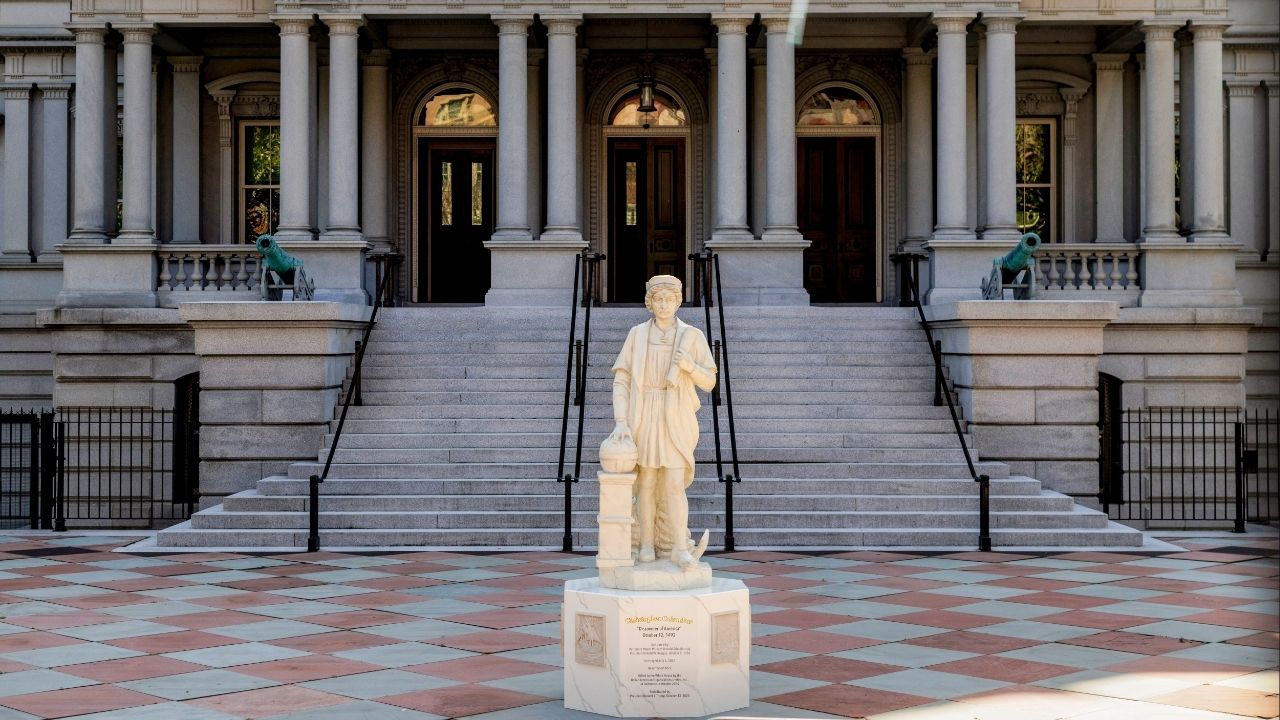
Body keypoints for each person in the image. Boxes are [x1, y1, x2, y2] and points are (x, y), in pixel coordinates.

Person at [606, 275, 717, 568]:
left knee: (674, 484)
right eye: (658, 299)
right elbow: (622, 379)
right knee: (647, 481)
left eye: (670, 299)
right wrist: (621, 420)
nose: (664, 305)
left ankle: (679, 547)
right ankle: (645, 545)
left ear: (678, 301)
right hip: (643, 414)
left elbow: (710, 381)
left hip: (676, 415)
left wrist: (690, 366)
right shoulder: (637, 335)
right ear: (649, 303)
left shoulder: (692, 336)